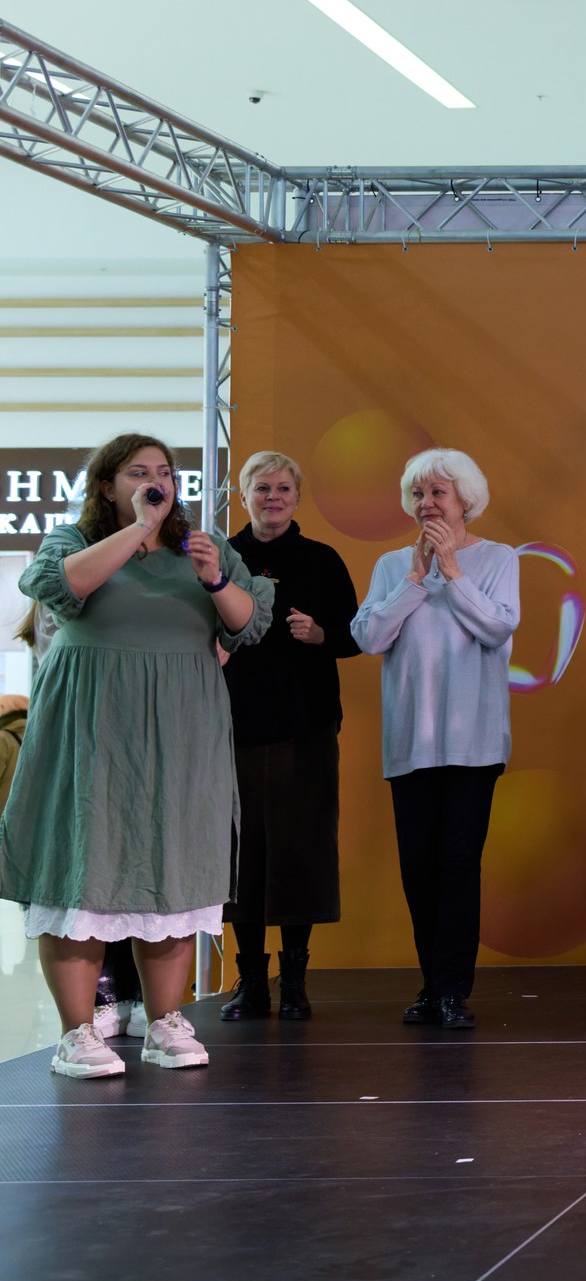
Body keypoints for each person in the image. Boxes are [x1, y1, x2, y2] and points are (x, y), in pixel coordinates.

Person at [1, 435, 272, 1079]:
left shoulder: (203, 547)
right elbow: (62, 587)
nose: (158, 481)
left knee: (175, 864)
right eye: (139, 472)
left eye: (166, 472)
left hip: (182, 728)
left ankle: (165, 1021)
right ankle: (77, 1033)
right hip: (92, 726)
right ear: (107, 485)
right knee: (82, 863)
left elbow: (247, 624)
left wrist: (215, 577)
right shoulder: (73, 540)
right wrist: (141, 529)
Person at [351, 448, 521, 1032]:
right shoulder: (392, 564)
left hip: (474, 743)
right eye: (419, 493)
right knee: (418, 868)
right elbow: (368, 636)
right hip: (410, 743)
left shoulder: (498, 558)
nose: (427, 503)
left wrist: (451, 571)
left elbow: (498, 627)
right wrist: (415, 580)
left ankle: (452, 989)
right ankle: (431, 985)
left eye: (438, 492)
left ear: (465, 500)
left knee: (458, 863)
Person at [218, 450, 360, 1023]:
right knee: (241, 856)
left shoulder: (322, 560)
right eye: (262, 488)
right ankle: (251, 982)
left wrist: (321, 634)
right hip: (232, 729)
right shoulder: (221, 558)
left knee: (301, 852)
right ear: (243, 495)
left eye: (282, 489)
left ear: (297, 498)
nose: (272, 498)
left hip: (306, 725)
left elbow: (355, 635)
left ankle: (294, 982)